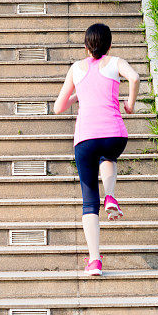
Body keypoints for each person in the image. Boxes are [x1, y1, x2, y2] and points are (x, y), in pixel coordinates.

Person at [53, 23, 140, 276]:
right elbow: (134, 77)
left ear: (85, 46)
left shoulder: (76, 69)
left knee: (89, 201)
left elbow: (59, 107)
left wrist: (77, 94)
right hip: (114, 133)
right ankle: (111, 195)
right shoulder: (115, 62)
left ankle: (94, 261)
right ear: (109, 44)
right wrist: (130, 104)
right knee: (108, 154)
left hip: (85, 139)